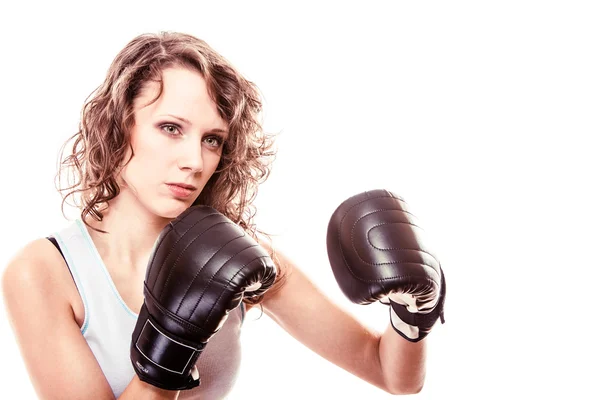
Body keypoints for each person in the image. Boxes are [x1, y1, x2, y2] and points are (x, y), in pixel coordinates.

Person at [1, 32, 445, 399]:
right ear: (119, 125)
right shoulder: (46, 272)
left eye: (212, 139)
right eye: (170, 128)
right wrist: (169, 348)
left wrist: (414, 314)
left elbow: (392, 375)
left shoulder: (239, 256)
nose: (194, 160)